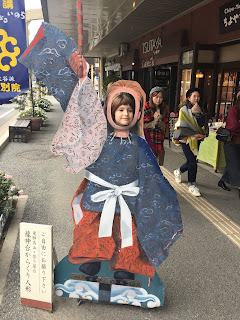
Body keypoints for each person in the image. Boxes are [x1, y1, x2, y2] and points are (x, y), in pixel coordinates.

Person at [52, 51, 183, 281]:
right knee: (91, 227)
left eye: (130, 110)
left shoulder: (140, 144)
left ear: (136, 114)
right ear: (111, 112)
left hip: (128, 199)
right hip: (98, 195)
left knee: (127, 234)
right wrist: (82, 80)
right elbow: (84, 115)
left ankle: (125, 267)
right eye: (121, 109)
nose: (125, 114)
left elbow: (152, 173)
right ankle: (90, 261)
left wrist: (161, 193)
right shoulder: (99, 139)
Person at [173, 88, 208, 197]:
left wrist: (203, 134)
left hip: (197, 140)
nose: (197, 98)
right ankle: (192, 185)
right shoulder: (184, 110)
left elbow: (203, 124)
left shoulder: (201, 109)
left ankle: (178, 171)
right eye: (194, 96)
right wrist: (193, 134)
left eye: (198, 96)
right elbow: (182, 126)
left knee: (192, 161)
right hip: (186, 140)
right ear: (188, 97)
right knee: (192, 162)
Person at [218, 92, 240, 197]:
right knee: (235, 164)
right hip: (232, 142)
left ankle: (222, 181)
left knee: (233, 163)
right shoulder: (234, 109)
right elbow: (233, 126)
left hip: (237, 142)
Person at [144, 87, 168, 166]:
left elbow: (165, 127)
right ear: (151, 97)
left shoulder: (164, 109)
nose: (158, 99)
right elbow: (141, 125)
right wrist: (154, 121)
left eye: (161, 97)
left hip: (159, 140)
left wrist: (159, 120)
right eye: (156, 97)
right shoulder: (145, 107)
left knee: (157, 166)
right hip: (147, 140)